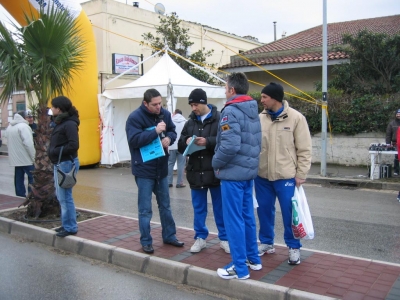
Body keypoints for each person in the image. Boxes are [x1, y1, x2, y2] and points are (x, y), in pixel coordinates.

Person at [254, 82, 312, 265]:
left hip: (286, 176)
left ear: (275, 98)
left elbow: (304, 149)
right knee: (263, 211)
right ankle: (266, 242)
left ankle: (294, 247)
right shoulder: (260, 118)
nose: (261, 100)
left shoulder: (296, 118)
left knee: (290, 214)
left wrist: (301, 173)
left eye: (265, 97)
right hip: (262, 176)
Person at [212, 73, 262, 280]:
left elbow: (230, 145)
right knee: (247, 217)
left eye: (225, 88)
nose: (224, 91)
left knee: (234, 220)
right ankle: (253, 259)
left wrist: (215, 162)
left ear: (232, 90)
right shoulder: (252, 109)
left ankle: (239, 268)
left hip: (233, 174)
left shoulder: (231, 111)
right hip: (248, 172)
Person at [125, 88, 184, 254]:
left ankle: (169, 236)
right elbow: (134, 140)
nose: (159, 107)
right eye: (155, 104)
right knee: (145, 209)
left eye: (160, 103)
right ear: (145, 103)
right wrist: (155, 132)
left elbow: (172, 131)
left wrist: (169, 138)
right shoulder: (135, 118)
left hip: (161, 168)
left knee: (165, 206)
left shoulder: (165, 114)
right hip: (144, 170)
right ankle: (146, 241)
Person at [178, 88, 229, 254]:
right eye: (191, 105)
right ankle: (200, 237)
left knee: (220, 208)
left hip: (215, 171)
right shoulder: (190, 122)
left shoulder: (220, 118)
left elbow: (226, 139)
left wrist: (207, 141)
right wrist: (186, 142)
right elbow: (179, 144)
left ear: (203, 102)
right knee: (199, 208)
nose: (193, 108)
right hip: (196, 171)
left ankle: (225, 238)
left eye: (195, 104)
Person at [48, 96, 80, 238]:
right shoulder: (61, 122)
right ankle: (66, 224)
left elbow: (74, 145)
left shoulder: (69, 124)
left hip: (66, 162)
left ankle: (70, 227)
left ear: (59, 108)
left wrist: (55, 151)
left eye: (53, 107)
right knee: (62, 197)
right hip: (60, 162)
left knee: (65, 197)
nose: (51, 109)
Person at [5, 111, 35, 198]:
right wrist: (33, 157)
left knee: (18, 178)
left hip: (16, 159)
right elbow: (28, 144)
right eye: (27, 117)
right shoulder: (24, 127)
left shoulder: (10, 127)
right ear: (24, 117)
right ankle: (31, 195)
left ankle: (19, 196)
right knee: (32, 177)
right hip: (26, 159)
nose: (29, 119)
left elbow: (7, 142)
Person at [167, 108, 187, 188]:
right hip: (182, 146)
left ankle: (169, 182)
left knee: (170, 163)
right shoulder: (185, 122)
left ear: (175, 113)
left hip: (172, 145)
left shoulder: (170, 121)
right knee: (181, 164)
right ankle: (180, 183)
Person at [386, 109, 400, 175]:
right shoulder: (392, 123)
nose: (398, 115)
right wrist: (388, 143)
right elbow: (388, 134)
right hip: (396, 143)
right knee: (397, 157)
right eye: (397, 114)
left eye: (399, 114)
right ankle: (396, 171)